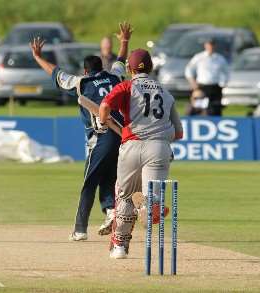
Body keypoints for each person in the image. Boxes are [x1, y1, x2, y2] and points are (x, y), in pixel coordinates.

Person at [30, 22, 133, 241]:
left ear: (86, 70)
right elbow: (121, 60)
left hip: (101, 137)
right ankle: (111, 212)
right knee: (108, 177)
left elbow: (56, 74)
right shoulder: (115, 76)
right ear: (102, 66)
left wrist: (38, 57)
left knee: (89, 182)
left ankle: (79, 230)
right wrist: (124, 41)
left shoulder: (81, 82)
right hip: (122, 137)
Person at [99, 48, 183, 259]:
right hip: (159, 147)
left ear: (129, 68)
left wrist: (102, 122)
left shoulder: (126, 85)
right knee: (149, 195)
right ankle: (148, 206)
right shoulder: (166, 92)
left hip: (131, 146)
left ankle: (119, 245)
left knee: (125, 196)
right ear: (152, 67)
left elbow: (105, 106)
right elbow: (179, 133)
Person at [185, 38, 229, 116]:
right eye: (209, 44)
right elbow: (189, 69)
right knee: (199, 108)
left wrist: (223, 83)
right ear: (205, 45)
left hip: (215, 88)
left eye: (212, 45)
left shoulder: (219, 58)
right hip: (202, 87)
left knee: (215, 109)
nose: (210, 47)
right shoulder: (199, 57)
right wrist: (193, 83)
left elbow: (226, 72)